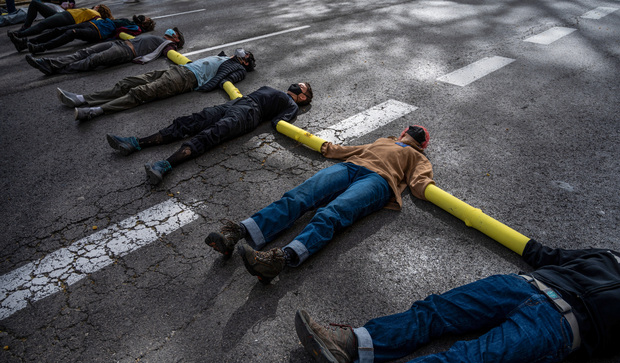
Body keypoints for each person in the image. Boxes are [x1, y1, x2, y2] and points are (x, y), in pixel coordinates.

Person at [294, 239, 620, 363]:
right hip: (526, 285)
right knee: (434, 310)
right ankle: (351, 343)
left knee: (467, 359)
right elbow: (553, 256)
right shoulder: (610, 254)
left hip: (559, 326)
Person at [205, 125, 433, 284]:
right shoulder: (385, 141)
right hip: (351, 166)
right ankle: (238, 233)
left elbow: (419, 182)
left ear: (420, 145)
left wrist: (427, 189)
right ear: (404, 133)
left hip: (379, 181)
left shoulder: (419, 158)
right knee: (300, 195)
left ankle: (280, 260)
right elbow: (352, 150)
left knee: (332, 213)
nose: (410, 136)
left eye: (413, 136)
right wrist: (326, 148)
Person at [106, 82, 312, 184]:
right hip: (237, 103)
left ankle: (164, 166)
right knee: (188, 122)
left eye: (301, 86)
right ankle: (135, 143)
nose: (296, 84)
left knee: (209, 135)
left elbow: (278, 122)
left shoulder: (291, 104)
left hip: (249, 114)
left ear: (303, 97)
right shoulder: (276, 89)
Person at [55, 48, 256, 121]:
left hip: (185, 79)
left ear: (245, 62)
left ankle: (95, 111)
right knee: (128, 82)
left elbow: (227, 79)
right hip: (177, 70)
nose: (242, 53)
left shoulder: (236, 68)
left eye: (245, 55)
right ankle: (80, 99)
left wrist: (231, 76)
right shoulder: (225, 58)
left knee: (140, 92)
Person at [25, 27, 184, 75]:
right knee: (85, 52)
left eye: (173, 34)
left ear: (176, 40)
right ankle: (51, 63)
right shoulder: (161, 39)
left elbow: (170, 54)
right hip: (120, 43)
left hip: (127, 52)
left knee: (93, 60)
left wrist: (176, 53)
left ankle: (54, 68)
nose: (169, 32)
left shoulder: (169, 46)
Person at [7, 4, 112, 51]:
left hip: (67, 18)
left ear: (99, 8)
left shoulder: (95, 14)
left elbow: (96, 22)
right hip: (63, 14)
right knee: (35, 4)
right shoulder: (91, 11)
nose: (95, 6)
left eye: (97, 6)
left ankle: (19, 35)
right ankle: (25, 28)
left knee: (43, 25)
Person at [23, 16, 149, 54]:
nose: (146, 17)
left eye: (147, 19)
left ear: (144, 24)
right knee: (59, 29)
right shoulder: (129, 20)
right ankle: (28, 42)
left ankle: (41, 47)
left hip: (98, 33)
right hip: (93, 24)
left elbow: (123, 33)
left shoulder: (136, 28)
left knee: (71, 33)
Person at [1, 0, 74, 29]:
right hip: (25, 10)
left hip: (26, 14)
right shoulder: (55, 5)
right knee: (5, 17)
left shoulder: (60, 11)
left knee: (6, 19)